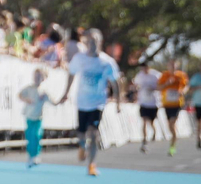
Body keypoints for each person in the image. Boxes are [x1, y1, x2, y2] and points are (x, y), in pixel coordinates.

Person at [59, 29, 120, 177]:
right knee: (81, 134)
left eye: (94, 41)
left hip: (97, 103)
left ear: (100, 42)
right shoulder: (79, 58)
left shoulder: (107, 62)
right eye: (89, 41)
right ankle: (82, 146)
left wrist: (118, 102)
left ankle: (91, 165)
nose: (91, 44)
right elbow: (71, 74)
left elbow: (115, 82)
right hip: (82, 102)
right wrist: (65, 93)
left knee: (93, 134)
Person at [19, 68, 52, 167]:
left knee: (37, 135)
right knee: (30, 136)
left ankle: (36, 155)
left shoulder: (43, 91)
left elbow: (52, 101)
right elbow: (20, 95)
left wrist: (61, 100)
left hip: (38, 117)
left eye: (39, 77)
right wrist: (26, 99)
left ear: (43, 78)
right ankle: (30, 156)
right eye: (35, 76)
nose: (37, 78)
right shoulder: (29, 88)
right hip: (29, 116)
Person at [158, 58, 189, 156]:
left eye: (174, 65)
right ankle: (174, 137)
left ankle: (172, 146)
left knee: (172, 123)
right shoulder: (164, 75)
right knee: (170, 125)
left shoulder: (181, 75)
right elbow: (159, 87)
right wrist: (167, 83)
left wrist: (183, 92)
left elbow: (186, 86)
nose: (172, 66)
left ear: (177, 65)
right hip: (167, 104)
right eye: (170, 65)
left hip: (177, 104)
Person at [134, 61, 163, 152]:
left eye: (145, 67)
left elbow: (162, 86)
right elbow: (135, 85)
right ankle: (144, 141)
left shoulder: (156, 75)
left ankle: (154, 132)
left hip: (153, 103)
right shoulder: (139, 76)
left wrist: (154, 88)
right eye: (142, 68)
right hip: (143, 102)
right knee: (144, 121)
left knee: (151, 122)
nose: (144, 70)